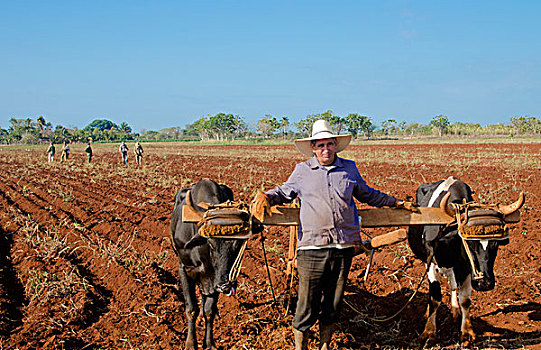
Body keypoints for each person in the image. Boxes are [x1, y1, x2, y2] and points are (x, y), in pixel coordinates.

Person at [252, 120, 418, 350]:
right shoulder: (302, 171)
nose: (326, 150)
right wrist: (267, 197)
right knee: (306, 302)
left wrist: (397, 203)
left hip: (343, 247)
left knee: (333, 300)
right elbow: (283, 192)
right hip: (312, 248)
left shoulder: (349, 169)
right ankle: (301, 346)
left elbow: (368, 194)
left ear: (335, 146)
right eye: (321, 145)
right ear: (313, 147)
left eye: (330, 145)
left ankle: (325, 345)